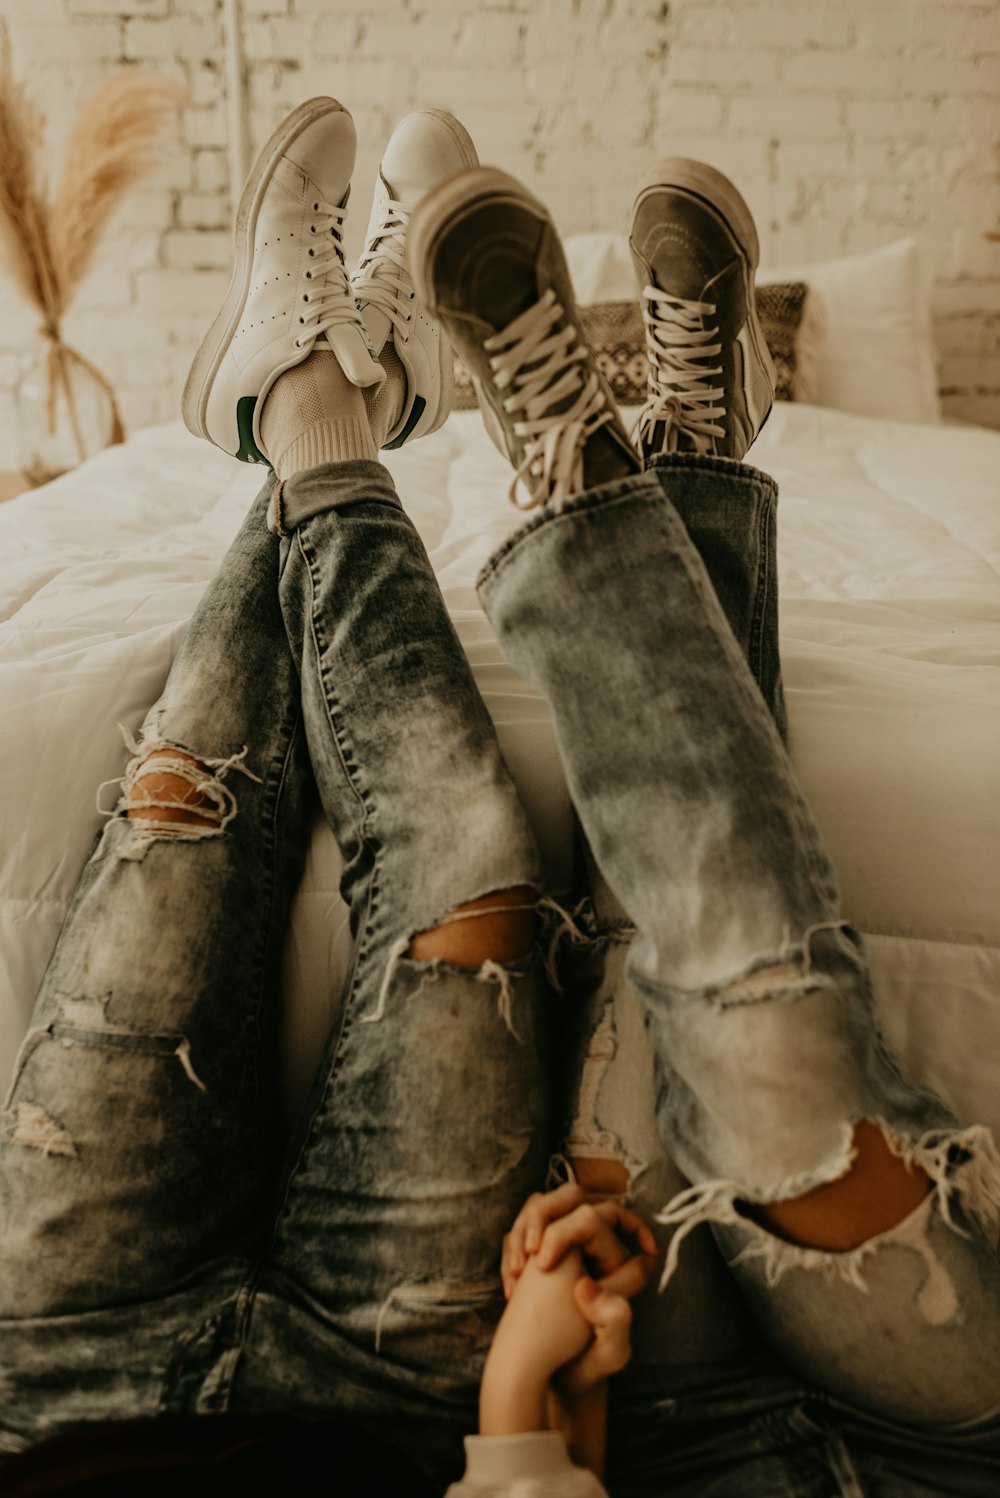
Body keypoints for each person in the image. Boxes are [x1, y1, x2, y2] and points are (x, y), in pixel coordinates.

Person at [1, 94, 999, 1497]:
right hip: (386, 1396)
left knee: (182, 809)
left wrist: (529, 1408)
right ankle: (493, 432)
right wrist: (525, 1426)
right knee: (541, 899)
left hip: (50, 1377)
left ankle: (314, 406)